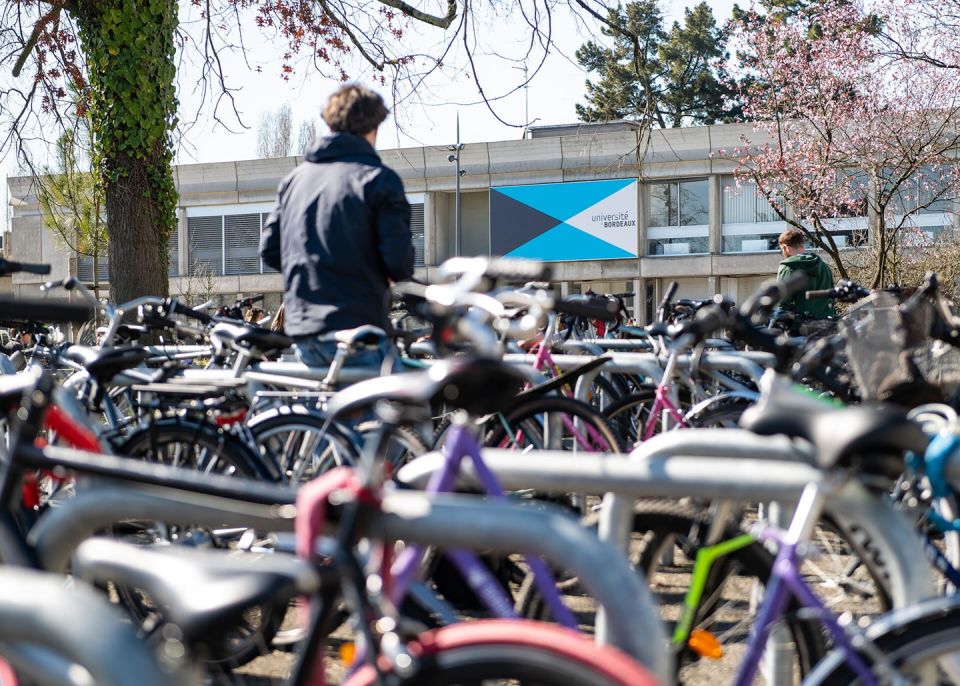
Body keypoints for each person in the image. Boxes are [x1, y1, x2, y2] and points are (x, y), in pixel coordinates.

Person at [260, 84, 414, 370]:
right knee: (405, 406)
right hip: (358, 326)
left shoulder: (294, 180)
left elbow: (270, 250)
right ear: (374, 127)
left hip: (304, 329)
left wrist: (315, 273)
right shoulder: (379, 179)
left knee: (325, 412)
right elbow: (398, 262)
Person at [776, 228, 835, 319]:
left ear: (785, 248)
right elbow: (832, 297)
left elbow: (783, 303)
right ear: (801, 245)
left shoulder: (787, 267)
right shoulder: (824, 266)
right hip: (828, 324)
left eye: (781, 250)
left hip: (801, 327)